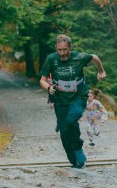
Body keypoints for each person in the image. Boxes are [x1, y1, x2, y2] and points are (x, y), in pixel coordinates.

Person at [39, 34, 106, 169]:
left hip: (79, 96)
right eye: (59, 50)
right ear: (56, 48)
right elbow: (42, 80)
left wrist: (101, 71)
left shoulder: (79, 57)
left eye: (65, 50)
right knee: (64, 132)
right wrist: (49, 88)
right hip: (60, 99)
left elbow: (94, 57)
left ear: (70, 47)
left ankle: (78, 149)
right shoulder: (51, 59)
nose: (62, 53)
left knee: (71, 120)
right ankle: (74, 160)